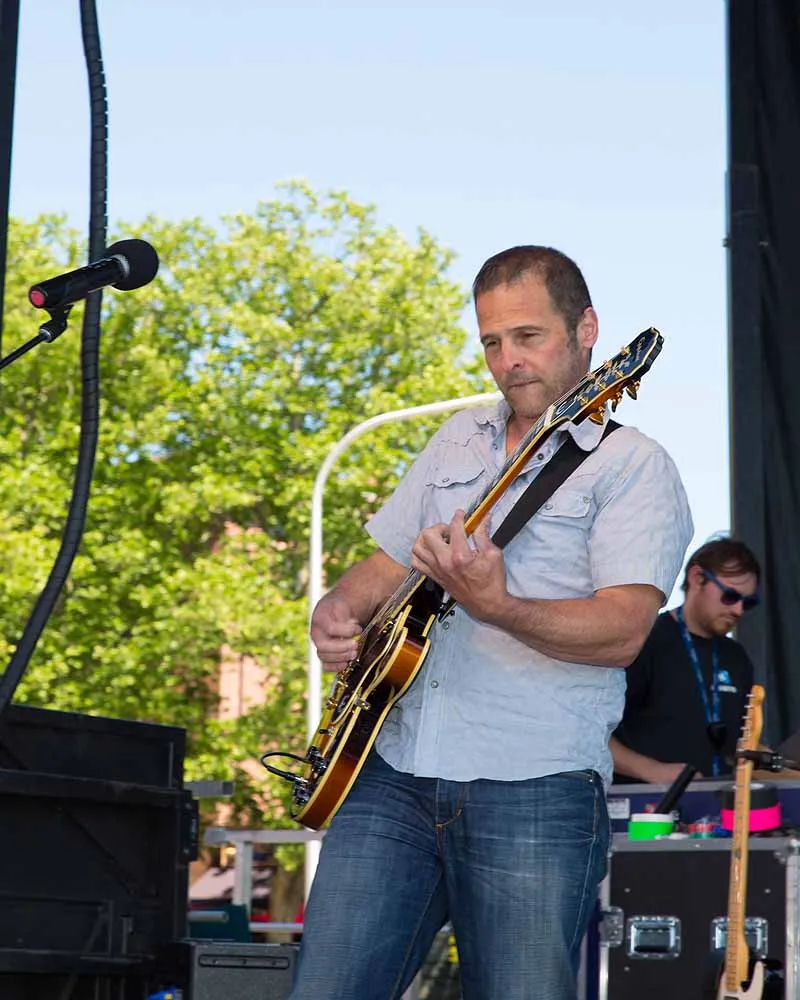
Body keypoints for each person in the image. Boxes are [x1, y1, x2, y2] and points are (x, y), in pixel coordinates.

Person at [289, 245, 693, 1000]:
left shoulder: (634, 466)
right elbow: (383, 567)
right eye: (492, 342)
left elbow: (624, 631)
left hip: (534, 787)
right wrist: (335, 610)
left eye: (528, 336)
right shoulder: (457, 437)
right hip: (392, 772)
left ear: (585, 330)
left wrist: (497, 606)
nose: (508, 361)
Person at [611, 537, 760, 785]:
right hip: (649, 803)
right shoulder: (646, 640)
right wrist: (653, 771)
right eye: (730, 596)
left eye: (749, 602)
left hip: (718, 802)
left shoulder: (737, 656)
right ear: (697, 578)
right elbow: (591, 730)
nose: (738, 610)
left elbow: (742, 743)